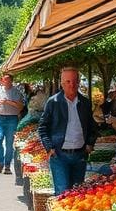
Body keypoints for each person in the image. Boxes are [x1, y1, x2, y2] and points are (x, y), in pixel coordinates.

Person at [39, 67, 98, 195]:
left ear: (78, 82)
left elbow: (92, 126)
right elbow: (43, 127)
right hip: (59, 155)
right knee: (62, 194)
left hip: (80, 155)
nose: (72, 85)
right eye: (68, 82)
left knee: (77, 195)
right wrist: (49, 148)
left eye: (74, 81)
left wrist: (90, 144)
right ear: (62, 83)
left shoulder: (85, 103)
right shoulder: (53, 102)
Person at [0, 72, 25, 175]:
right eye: (5, 80)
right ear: (2, 81)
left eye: (8, 80)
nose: (6, 82)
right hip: (0, 118)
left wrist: (8, 102)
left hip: (12, 119)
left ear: (11, 81)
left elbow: (20, 106)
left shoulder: (16, 92)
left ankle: (7, 165)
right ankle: (0, 163)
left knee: (9, 144)